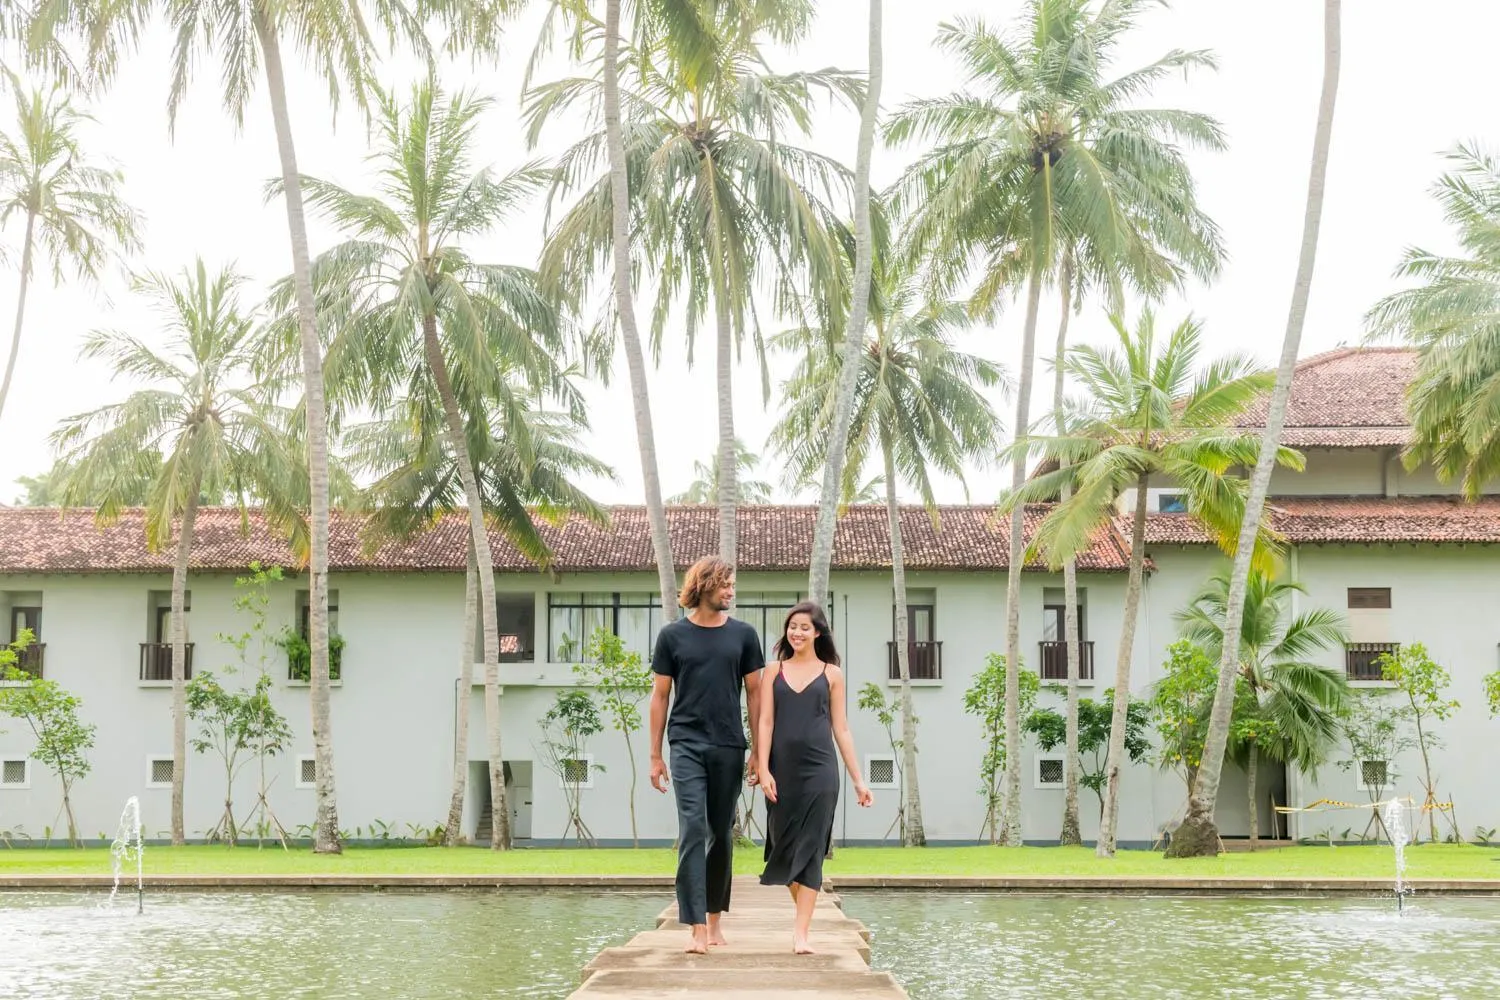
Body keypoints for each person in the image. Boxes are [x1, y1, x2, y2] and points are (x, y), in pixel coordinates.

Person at [649, 556, 765, 955]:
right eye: (725, 585)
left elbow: (755, 695)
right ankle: (696, 925)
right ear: (703, 586)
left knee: (721, 833)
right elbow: (660, 696)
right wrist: (654, 755)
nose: (731, 591)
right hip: (685, 744)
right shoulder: (672, 637)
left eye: (732, 585)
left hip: (729, 745)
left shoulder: (745, 636)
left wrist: (758, 754)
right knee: (693, 829)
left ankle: (715, 919)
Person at [756, 600, 872, 955]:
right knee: (784, 847)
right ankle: (803, 912)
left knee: (811, 851)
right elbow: (765, 722)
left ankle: (801, 932)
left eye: (805, 627)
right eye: (792, 626)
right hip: (781, 771)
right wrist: (762, 768)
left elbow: (842, 728)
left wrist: (858, 779)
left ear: (818, 631)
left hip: (821, 771)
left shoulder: (832, 674)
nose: (797, 632)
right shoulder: (772, 670)